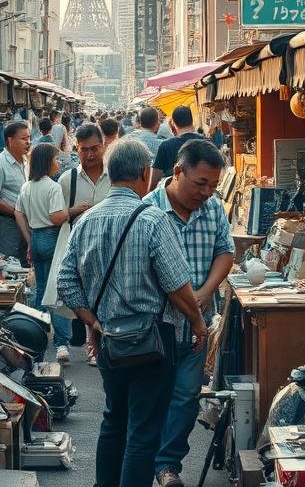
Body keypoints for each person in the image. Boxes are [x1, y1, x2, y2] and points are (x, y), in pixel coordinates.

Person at [58, 140, 207, 487]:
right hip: (152, 343)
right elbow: (177, 284)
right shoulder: (152, 219)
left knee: (114, 421)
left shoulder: (87, 219)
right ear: (144, 172)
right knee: (143, 431)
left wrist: (92, 322)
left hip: (111, 342)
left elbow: (65, 281)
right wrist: (198, 324)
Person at [143, 140, 233, 487]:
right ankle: (144, 460)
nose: (208, 192)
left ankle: (167, 466)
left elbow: (225, 251)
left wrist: (206, 291)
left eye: (213, 185)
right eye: (201, 184)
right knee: (154, 397)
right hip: (157, 325)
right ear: (178, 171)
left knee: (185, 397)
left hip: (197, 327)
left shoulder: (213, 209)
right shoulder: (149, 210)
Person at [58, 123, 114, 365]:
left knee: (103, 299)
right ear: (76, 149)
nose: (90, 154)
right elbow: (58, 216)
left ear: (104, 146)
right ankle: (85, 342)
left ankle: (99, 345)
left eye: (95, 148)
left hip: (111, 247)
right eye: (84, 150)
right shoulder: (66, 180)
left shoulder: (115, 177)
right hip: (78, 250)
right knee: (80, 299)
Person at [15, 143, 72, 362]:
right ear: (47, 162)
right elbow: (57, 217)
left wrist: (29, 238)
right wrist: (74, 211)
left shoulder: (27, 186)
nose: (58, 163)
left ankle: (35, 337)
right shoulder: (52, 187)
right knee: (56, 293)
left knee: (40, 291)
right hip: (51, 238)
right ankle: (61, 344)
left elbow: (18, 213)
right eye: (56, 160)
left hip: (37, 238)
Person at [0, 121, 31, 261]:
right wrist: (15, 212)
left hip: (25, 223)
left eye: (29, 138)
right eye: (23, 139)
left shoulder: (25, 161)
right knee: (10, 262)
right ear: (10, 140)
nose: (28, 142)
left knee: (24, 263)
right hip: (8, 224)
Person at [150, 105, 204, 190]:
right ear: (192, 121)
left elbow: (154, 179)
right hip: (201, 194)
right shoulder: (206, 143)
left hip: (173, 198)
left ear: (174, 124)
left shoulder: (166, 146)